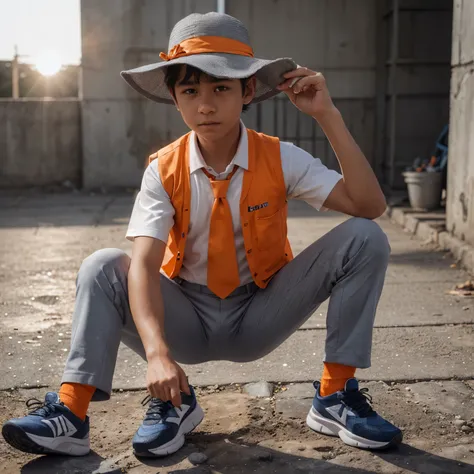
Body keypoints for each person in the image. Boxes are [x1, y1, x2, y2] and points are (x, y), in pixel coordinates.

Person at [2, 12, 401, 458]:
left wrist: (327, 115)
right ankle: (83, 413)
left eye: (221, 88)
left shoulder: (280, 157)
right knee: (102, 265)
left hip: (261, 309)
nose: (205, 105)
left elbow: (370, 206)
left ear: (248, 91)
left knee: (365, 236)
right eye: (190, 91)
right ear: (175, 98)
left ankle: (334, 394)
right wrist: (157, 354)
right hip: (186, 316)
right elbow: (145, 267)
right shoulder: (164, 169)